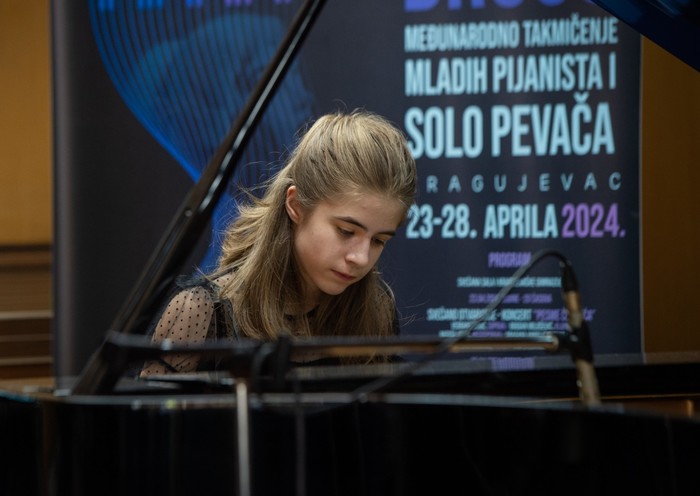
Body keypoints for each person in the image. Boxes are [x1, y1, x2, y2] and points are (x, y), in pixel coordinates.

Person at [140, 110, 417, 375]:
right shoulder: (201, 310)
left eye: (379, 240)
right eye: (346, 231)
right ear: (296, 205)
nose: (361, 258)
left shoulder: (375, 309)